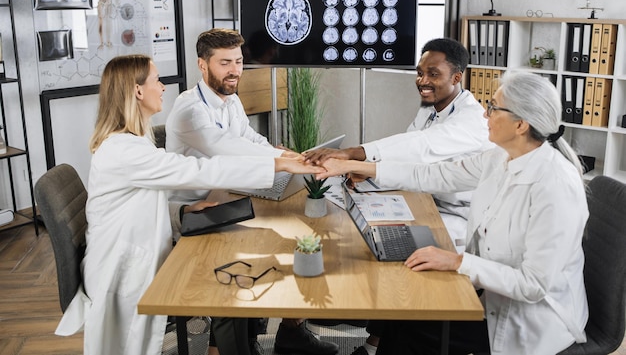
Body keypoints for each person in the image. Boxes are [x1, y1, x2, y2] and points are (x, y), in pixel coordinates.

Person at [54, 54, 322, 355]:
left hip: (139, 248)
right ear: (138, 91)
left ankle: (241, 343)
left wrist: (182, 212)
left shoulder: (134, 140)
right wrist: (279, 165)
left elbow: (134, 205)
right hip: (124, 270)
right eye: (157, 80)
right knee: (227, 285)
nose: (163, 87)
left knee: (232, 267)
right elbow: (199, 169)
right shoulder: (122, 150)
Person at [315, 72, 589, 354]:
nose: (485, 115)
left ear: (520, 124)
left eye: (494, 108)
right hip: (488, 293)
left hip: (528, 319)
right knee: (403, 308)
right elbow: (436, 174)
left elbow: (533, 285)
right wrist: (360, 167)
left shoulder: (555, 186)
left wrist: (457, 261)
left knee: (411, 324)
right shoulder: (501, 157)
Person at [304, 38, 492, 355]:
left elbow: (422, 149)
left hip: (459, 216)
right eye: (420, 73)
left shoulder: (472, 120)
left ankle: (381, 333)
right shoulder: (431, 110)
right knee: (370, 222)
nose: (423, 81)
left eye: (433, 74)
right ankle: (374, 337)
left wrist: (356, 156)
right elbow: (411, 154)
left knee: (398, 247)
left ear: (457, 77)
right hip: (429, 199)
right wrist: (366, 170)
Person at [166, 28, 339, 355]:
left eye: (239, 61)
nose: (235, 71)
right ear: (203, 66)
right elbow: (228, 149)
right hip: (195, 213)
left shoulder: (230, 99)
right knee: (261, 253)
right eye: (225, 63)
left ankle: (289, 332)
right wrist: (285, 162)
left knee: (293, 237)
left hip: (228, 196)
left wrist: (281, 151)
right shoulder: (190, 110)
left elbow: (247, 138)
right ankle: (231, 343)